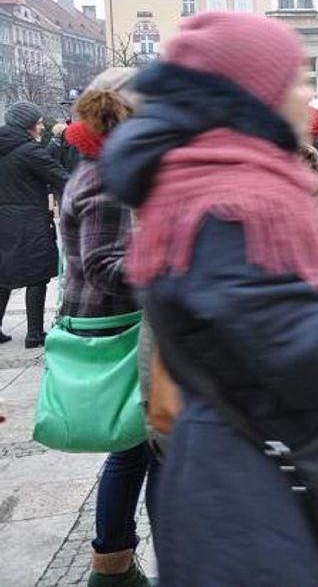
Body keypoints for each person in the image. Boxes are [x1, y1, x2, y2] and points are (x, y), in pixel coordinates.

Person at [100, 11, 318, 586]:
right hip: (251, 514)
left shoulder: (220, 184)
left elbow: (273, 311)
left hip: (245, 482)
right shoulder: (228, 204)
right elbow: (308, 355)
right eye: (294, 78)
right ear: (253, 96)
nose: (308, 91)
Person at [58, 69, 158, 587]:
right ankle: (116, 567)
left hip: (115, 322)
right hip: (119, 328)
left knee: (136, 447)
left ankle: (112, 564)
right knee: (144, 448)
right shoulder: (106, 180)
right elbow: (104, 264)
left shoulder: (103, 169)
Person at [0, 101, 69, 347]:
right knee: (37, 275)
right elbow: (63, 179)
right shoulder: (30, 152)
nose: (41, 128)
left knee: (3, 274)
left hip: (3, 219)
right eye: (38, 123)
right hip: (29, 221)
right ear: (26, 125)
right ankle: (34, 333)